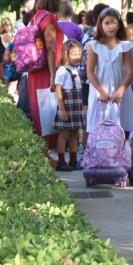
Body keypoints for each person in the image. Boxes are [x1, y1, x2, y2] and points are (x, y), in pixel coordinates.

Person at [85, 8, 133, 136]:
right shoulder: (94, 45)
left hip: (119, 90)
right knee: (99, 128)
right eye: (107, 23)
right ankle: (98, 155)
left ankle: (120, 155)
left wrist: (121, 90)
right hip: (100, 91)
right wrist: (102, 91)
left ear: (119, 24)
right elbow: (90, 72)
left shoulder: (125, 46)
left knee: (120, 128)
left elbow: (130, 71)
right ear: (101, 25)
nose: (110, 26)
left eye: (113, 22)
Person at [28, 0, 65, 151]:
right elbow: (50, 48)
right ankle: (50, 151)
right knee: (49, 111)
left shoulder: (36, 16)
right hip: (47, 71)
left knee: (40, 111)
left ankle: (44, 150)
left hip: (35, 70)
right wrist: (53, 75)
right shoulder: (49, 18)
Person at [53, 40, 85, 171]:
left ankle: (73, 161)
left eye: (79, 54)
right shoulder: (62, 70)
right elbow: (58, 89)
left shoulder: (75, 69)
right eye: (74, 54)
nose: (77, 57)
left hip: (76, 106)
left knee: (74, 134)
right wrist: (62, 109)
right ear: (66, 54)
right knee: (64, 134)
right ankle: (61, 161)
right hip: (66, 106)